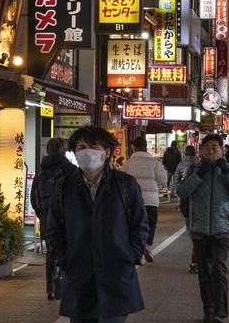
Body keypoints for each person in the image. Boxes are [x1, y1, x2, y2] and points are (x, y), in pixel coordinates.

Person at [46, 125, 149, 323]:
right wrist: (63, 258)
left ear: (107, 152)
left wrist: (131, 255)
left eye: (93, 146)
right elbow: (53, 229)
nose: (86, 151)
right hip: (78, 277)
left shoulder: (125, 184)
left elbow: (140, 224)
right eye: (81, 147)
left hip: (116, 275)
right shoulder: (63, 187)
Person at [177, 134, 229, 323]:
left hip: (222, 228)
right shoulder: (194, 168)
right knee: (204, 273)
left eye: (214, 147)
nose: (210, 150)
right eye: (206, 147)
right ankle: (208, 309)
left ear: (222, 149)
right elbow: (182, 191)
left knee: (218, 270)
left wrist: (226, 171)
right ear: (201, 150)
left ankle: (219, 312)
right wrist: (200, 175)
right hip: (199, 228)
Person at [31, 137, 78, 301]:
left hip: (46, 216)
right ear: (62, 150)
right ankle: (62, 279)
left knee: (51, 252)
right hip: (65, 216)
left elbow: (33, 195)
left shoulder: (42, 169)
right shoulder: (69, 169)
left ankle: (49, 290)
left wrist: (41, 213)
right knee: (67, 248)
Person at [121, 136, 168, 263]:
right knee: (150, 224)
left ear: (134, 148)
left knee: (133, 224)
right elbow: (163, 180)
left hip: (132, 200)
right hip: (150, 200)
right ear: (145, 147)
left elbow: (121, 179)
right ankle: (146, 246)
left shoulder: (128, 163)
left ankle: (135, 249)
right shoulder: (154, 162)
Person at [173, 145, 199, 274]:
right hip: (197, 201)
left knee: (189, 219)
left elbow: (176, 180)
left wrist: (178, 193)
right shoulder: (199, 164)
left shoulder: (181, 164)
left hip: (185, 199)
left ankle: (190, 232)